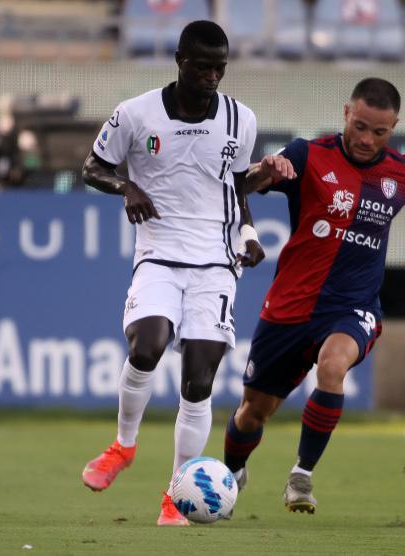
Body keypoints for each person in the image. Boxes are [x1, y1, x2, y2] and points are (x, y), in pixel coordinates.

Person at [80, 20, 287, 526]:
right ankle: (123, 446)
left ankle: (174, 495)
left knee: (199, 381)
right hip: (158, 254)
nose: (212, 77)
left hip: (216, 264)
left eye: (220, 68)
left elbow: (234, 191)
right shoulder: (135, 114)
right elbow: (91, 168)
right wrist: (127, 188)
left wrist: (250, 237)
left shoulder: (241, 119)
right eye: (202, 66)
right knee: (146, 347)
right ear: (179, 60)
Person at [223, 77, 405, 514]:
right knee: (253, 411)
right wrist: (265, 171)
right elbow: (242, 187)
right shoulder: (308, 155)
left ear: (394, 127)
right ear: (346, 112)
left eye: (379, 132)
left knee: (332, 366)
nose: (366, 139)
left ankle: (301, 477)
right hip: (291, 305)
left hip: (354, 305)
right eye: (360, 126)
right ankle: (232, 472)